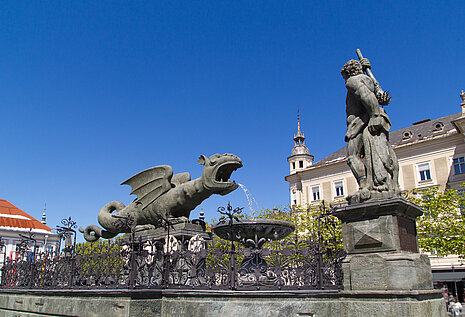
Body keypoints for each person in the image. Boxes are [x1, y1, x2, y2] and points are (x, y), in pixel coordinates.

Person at [340, 58, 400, 204]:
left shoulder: (352, 81)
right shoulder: (369, 80)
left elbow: (365, 95)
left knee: (353, 156)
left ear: (348, 72)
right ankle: (387, 185)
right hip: (373, 117)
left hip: (360, 122)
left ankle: (364, 186)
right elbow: (380, 96)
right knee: (378, 152)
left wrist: (374, 115)